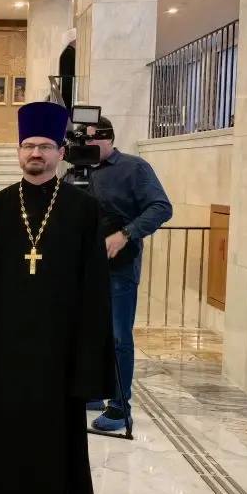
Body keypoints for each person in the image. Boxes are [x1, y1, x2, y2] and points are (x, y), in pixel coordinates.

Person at [0, 101, 115, 494]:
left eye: (45, 146)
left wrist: (88, 354)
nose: (36, 153)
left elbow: (94, 286)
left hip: (59, 347)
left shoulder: (83, 208)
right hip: (7, 347)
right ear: (19, 151)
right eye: (29, 146)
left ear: (60, 153)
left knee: (54, 439)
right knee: (4, 435)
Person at [86, 116, 173, 431]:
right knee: (91, 333)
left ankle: (120, 407)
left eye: (92, 139)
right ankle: (94, 391)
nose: (86, 145)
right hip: (86, 269)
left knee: (118, 336)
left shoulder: (134, 168)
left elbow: (161, 207)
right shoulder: (77, 172)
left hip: (120, 268)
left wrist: (126, 234)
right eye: (82, 140)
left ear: (108, 138)